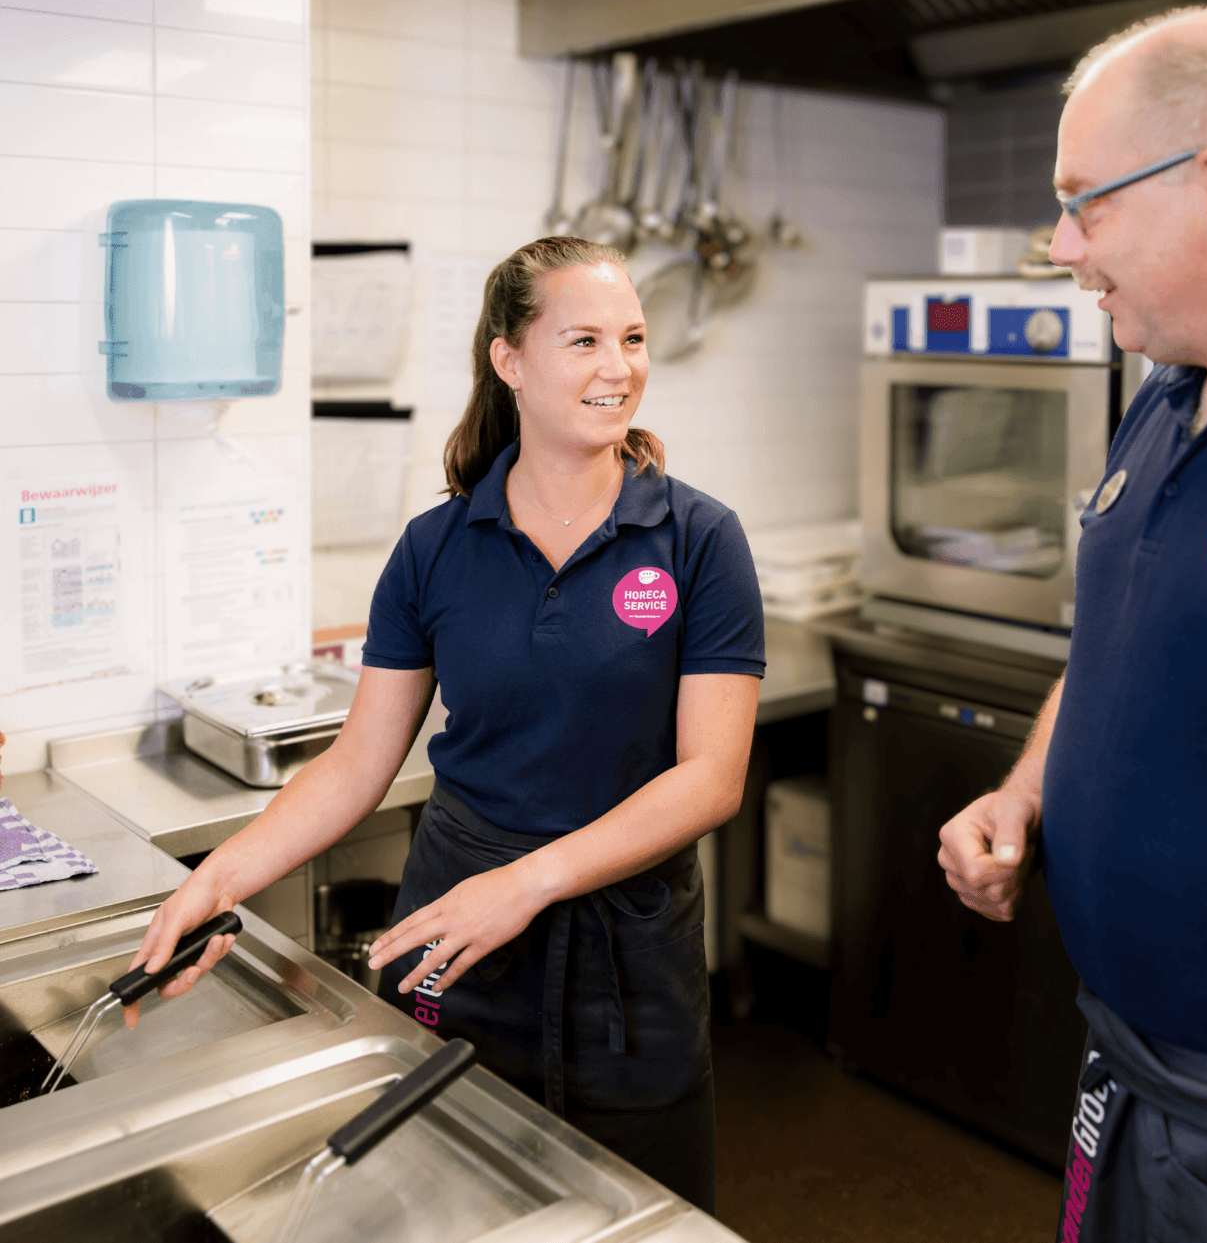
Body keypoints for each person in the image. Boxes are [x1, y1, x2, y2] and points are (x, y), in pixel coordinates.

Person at [125, 237, 765, 1213]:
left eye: (632, 338)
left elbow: (710, 778)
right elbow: (355, 766)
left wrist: (526, 883)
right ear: (509, 359)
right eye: (584, 339)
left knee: (642, 1213)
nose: (620, 366)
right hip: (453, 942)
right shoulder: (436, 547)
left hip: (627, 957)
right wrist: (213, 883)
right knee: (448, 1200)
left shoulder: (698, 538)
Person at [938, 5, 1207, 1240]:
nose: (1063, 245)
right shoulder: (1164, 395)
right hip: (1127, 1061)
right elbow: (1116, 652)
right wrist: (1025, 794)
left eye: (1089, 202)